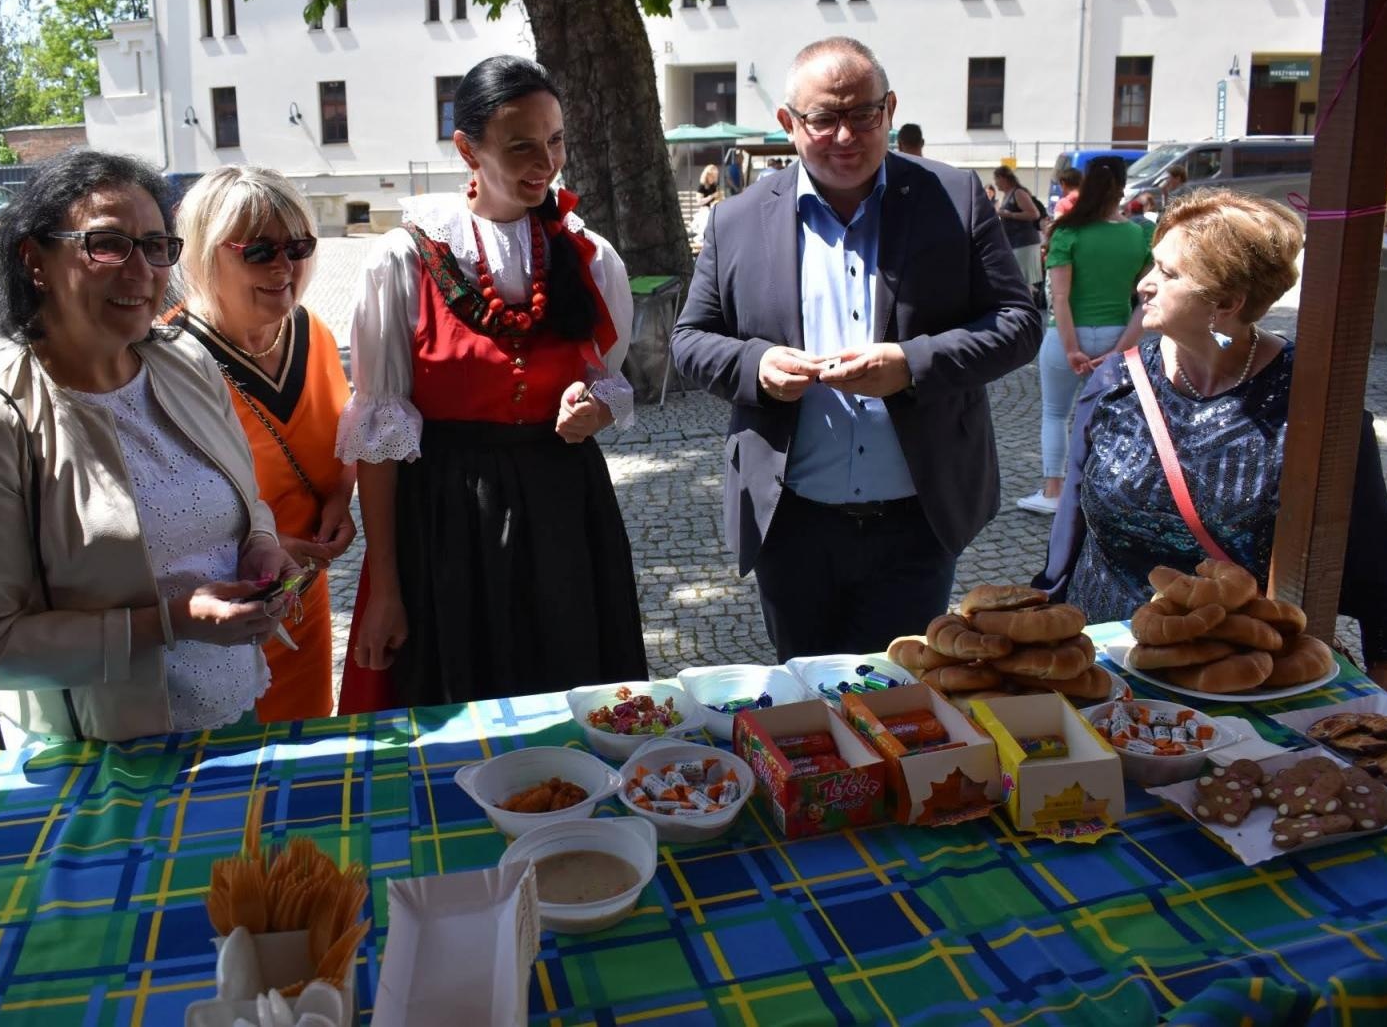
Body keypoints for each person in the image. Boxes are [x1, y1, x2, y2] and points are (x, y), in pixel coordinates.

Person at [672, 36, 1041, 661]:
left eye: (863, 114)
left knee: (898, 694)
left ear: (889, 109)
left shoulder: (953, 197)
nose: (844, 136)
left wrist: (913, 365)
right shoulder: (737, 220)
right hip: (790, 522)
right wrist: (756, 366)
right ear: (789, 122)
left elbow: (1019, 322)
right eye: (823, 118)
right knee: (805, 691)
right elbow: (689, 340)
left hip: (916, 519)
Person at [0, 149, 300, 745]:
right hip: (97, 749)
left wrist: (262, 547)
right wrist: (170, 623)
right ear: (35, 259)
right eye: (108, 245)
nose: (141, 270)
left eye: (155, 245)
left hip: (234, 709)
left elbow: (247, 504)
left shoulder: (189, 363)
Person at [339, 54, 646, 709]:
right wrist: (386, 585)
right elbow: (380, 440)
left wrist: (594, 407)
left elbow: (609, 380)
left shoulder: (589, 254)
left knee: (569, 689)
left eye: (555, 140)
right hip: (447, 522)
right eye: (521, 145)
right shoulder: (404, 260)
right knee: (459, 697)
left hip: (565, 515)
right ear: (466, 149)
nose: (546, 162)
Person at [1036, 189, 1387, 702]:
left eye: (1167, 273)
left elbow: (1370, 542)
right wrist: (1046, 624)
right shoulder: (1116, 383)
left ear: (1227, 302)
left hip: (1232, 673)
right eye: (1153, 263)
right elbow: (1069, 524)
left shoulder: (1311, 403)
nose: (1144, 283)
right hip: (1106, 659)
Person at [170, 165, 356, 722]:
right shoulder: (169, 359)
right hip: (219, 613)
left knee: (308, 739)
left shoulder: (313, 332)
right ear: (204, 254)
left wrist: (339, 499)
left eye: (297, 247)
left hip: (302, 597)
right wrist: (266, 544)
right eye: (258, 251)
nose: (283, 267)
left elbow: (340, 438)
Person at [1017, 156, 1151, 516]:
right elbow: (1146, 301)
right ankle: (1104, 492)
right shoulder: (1139, 234)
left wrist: (1072, 348)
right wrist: (1120, 349)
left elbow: (1059, 298)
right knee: (1112, 417)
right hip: (1117, 333)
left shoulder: (1067, 232)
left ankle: (1053, 491)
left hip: (1065, 335)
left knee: (1055, 413)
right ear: (1123, 187)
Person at [993, 166, 1044, 291]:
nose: (995, 183)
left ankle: (1029, 300)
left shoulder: (1018, 193)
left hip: (1024, 243)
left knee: (1025, 281)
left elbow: (1034, 214)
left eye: (996, 179)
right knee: (1019, 280)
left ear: (1003, 178)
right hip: (1014, 243)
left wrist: (1010, 215)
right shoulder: (1007, 195)